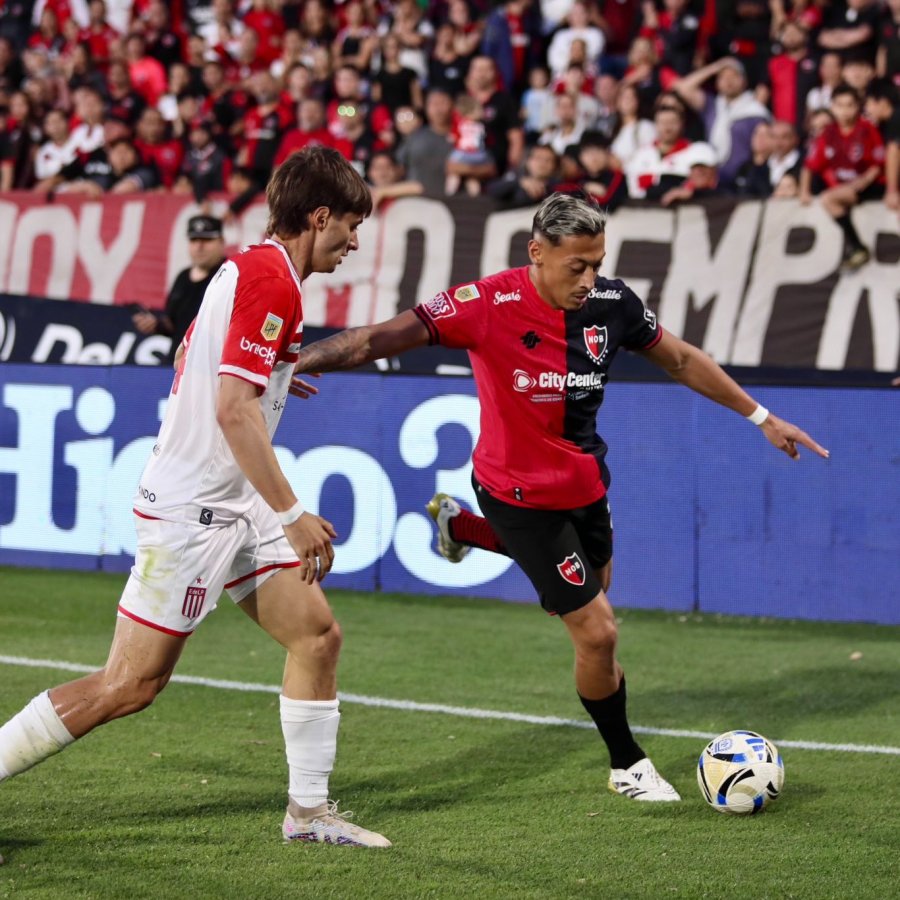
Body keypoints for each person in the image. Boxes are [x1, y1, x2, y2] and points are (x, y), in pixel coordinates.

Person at [288, 191, 829, 803]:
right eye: (578, 265)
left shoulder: (611, 303)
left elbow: (678, 358)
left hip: (585, 487)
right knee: (598, 633)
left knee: (596, 601)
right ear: (536, 252)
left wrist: (762, 416)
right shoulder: (484, 302)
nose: (590, 278)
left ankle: (459, 531)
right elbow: (377, 339)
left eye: (597, 262)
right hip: (513, 492)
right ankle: (627, 762)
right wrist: (293, 361)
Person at [0, 147, 391, 849]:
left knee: (316, 635)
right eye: (349, 227)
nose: (353, 243)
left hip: (233, 505)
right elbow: (233, 412)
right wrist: (293, 514)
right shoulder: (273, 282)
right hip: (196, 511)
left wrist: (269, 374)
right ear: (320, 215)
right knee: (129, 685)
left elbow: (198, 350)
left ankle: (307, 814)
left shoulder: (246, 265)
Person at [132, 215, 228, 364]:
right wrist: (156, 324)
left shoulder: (228, 276)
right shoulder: (182, 277)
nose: (199, 246)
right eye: (194, 240)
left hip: (208, 365)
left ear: (221, 242)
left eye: (207, 240)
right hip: (176, 365)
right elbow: (173, 324)